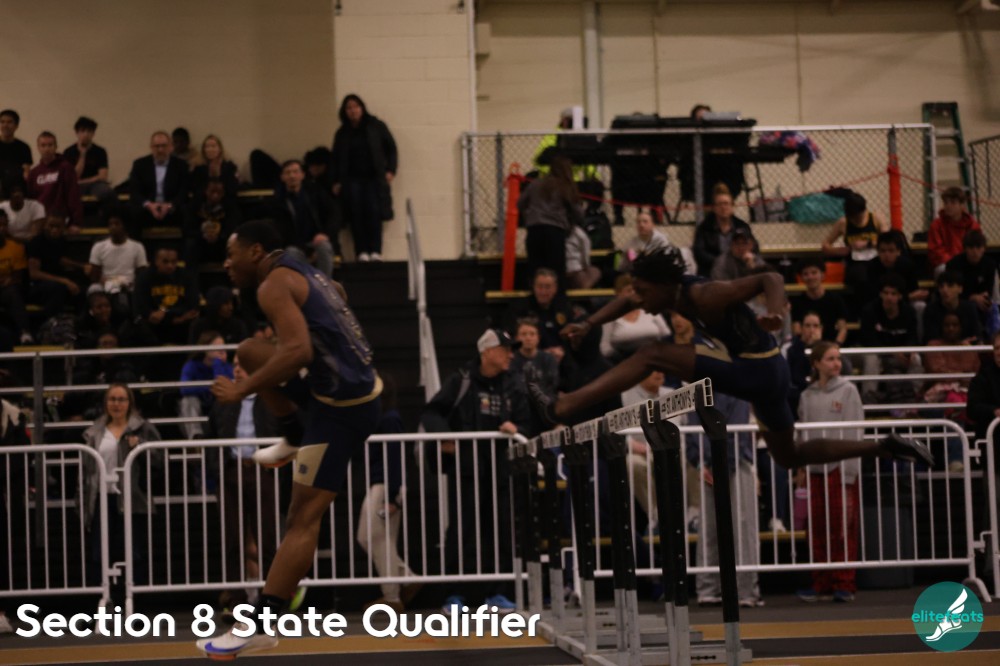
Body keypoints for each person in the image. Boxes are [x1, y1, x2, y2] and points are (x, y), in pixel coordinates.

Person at [525, 247, 933, 474]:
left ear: (665, 286)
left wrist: (775, 313)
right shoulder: (667, 291)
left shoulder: (707, 295)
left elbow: (771, 278)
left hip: (756, 368)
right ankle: (884, 446)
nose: (640, 300)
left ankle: (562, 406)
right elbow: (627, 297)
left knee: (651, 353)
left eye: (645, 292)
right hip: (766, 374)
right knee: (789, 455)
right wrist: (589, 323)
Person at [197, 220, 381, 658]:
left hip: (342, 410)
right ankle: (293, 433)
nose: (226, 263)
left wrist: (241, 389)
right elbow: (337, 291)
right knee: (249, 351)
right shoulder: (300, 267)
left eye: (231, 254)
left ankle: (261, 623)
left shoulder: (272, 285)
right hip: (334, 391)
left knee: (301, 517)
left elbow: (298, 351)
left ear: (255, 251)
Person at [420, 328, 532, 614]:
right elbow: (432, 412)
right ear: (487, 352)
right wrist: (445, 437)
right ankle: (453, 594)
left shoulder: (514, 384)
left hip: (502, 471)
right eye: (505, 349)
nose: (510, 355)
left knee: (503, 531)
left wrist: (517, 428)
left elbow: (528, 423)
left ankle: (498, 593)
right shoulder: (462, 380)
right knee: (461, 531)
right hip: (467, 471)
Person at [205, 353, 280, 613]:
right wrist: (217, 469)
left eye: (243, 366)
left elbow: (284, 431)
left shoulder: (270, 399)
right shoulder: (224, 401)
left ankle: (269, 600)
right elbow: (211, 437)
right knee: (232, 538)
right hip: (231, 470)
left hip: (262, 469)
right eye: (235, 365)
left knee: (267, 537)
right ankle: (237, 601)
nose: (237, 370)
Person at [82, 384, 162, 604]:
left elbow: (159, 458)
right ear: (105, 403)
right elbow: (87, 468)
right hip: (101, 496)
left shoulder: (142, 428)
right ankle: (103, 598)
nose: (116, 404)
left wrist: (141, 446)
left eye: (121, 399)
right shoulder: (95, 431)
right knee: (100, 550)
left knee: (133, 549)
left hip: (131, 497)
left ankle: (133, 598)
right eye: (112, 399)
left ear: (130, 403)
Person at [796, 341, 863, 603]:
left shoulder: (849, 391)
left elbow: (855, 433)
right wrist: (802, 467)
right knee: (816, 529)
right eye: (830, 358)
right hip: (815, 470)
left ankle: (844, 583)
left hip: (840, 469)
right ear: (816, 364)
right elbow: (803, 434)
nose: (836, 363)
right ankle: (821, 583)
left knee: (842, 528)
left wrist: (849, 472)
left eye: (838, 358)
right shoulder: (807, 395)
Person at [685, 391, 762, 608]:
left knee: (742, 526)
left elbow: (737, 432)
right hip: (709, 466)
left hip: (735, 463)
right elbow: (691, 434)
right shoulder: (695, 391)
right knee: (709, 527)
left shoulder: (734, 389)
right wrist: (701, 463)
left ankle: (745, 590)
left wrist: (718, 465)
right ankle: (709, 588)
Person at [356, 376, 421, 613]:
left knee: (374, 537)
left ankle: (392, 594)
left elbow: (395, 456)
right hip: (382, 483)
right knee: (375, 537)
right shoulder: (382, 418)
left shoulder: (389, 418)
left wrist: (392, 496)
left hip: (386, 485)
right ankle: (406, 578)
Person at [331, 94, 397, 262]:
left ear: (362, 108)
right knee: (356, 213)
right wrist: (336, 181)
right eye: (349, 108)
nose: (353, 111)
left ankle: (376, 250)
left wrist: (391, 170)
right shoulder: (342, 133)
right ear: (344, 111)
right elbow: (336, 158)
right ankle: (361, 251)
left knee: (374, 212)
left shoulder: (376, 126)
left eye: (356, 106)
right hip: (351, 180)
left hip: (374, 178)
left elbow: (391, 148)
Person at [517, 154, 582, 282]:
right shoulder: (565, 186)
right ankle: (557, 293)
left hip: (534, 230)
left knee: (535, 270)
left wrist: (529, 217)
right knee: (556, 271)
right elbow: (577, 211)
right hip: (555, 231)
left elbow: (520, 204)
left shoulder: (535, 184)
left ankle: (536, 292)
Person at [622, 371, 672, 534]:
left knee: (693, 457)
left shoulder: (673, 393)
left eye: (662, 369)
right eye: (654, 369)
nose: (659, 373)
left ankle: (694, 515)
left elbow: (687, 427)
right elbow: (614, 429)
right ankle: (656, 516)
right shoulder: (624, 396)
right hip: (643, 452)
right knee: (632, 463)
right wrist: (629, 443)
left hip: (673, 452)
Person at [502, 268, 586, 366]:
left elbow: (570, 336)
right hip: (528, 358)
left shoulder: (564, 308)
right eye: (540, 286)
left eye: (547, 287)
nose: (543, 291)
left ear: (555, 288)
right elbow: (510, 336)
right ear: (533, 287)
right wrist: (541, 353)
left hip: (561, 358)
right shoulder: (519, 308)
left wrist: (561, 350)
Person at [859, 273, 920, 402]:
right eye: (886, 293)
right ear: (880, 294)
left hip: (900, 355)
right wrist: (893, 352)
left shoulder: (909, 312)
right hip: (878, 354)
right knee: (871, 358)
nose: (889, 297)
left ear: (900, 296)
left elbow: (913, 338)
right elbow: (869, 341)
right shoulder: (869, 311)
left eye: (893, 294)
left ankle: (914, 398)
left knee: (916, 359)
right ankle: (868, 399)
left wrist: (907, 352)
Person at [269, 160, 334, 277]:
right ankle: (306, 285)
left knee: (324, 246)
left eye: (295, 172)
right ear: (282, 177)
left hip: (316, 241)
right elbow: (280, 231)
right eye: (288, 173)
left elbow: (333, 214)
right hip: (294, 245)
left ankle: (325, 283)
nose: (292, 176)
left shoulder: (315, 193)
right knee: (291, 253)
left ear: (302, 175)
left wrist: (325, 234)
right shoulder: (277, 201)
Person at [130, 247, 200, 346]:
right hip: (155, 325)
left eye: (173, 262)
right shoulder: (144, 277)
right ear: (156, 261)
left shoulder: (186, 276)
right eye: (165, 262)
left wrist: (165, 312)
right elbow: (142, 307)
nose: (170, 265)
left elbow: (193, 304)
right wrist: (173, 318)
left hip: (181, 324)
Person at [128, 131, 190, 237]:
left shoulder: (181, 165)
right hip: (148, 209)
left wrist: (169, 205)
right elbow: (134, 191)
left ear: (170, 147)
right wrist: (149, 205)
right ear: (151, 147)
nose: (160, 150)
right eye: (157, 146)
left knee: (187, 213)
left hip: (172, 209)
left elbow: (183, 191)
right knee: (132, 212)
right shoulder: (140, 165)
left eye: (164, 146)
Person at [27, 214, 88, 322]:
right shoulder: (36, 242)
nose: (54, 230)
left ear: (63, 228)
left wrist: (82, 266)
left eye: (58, 227)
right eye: (51, 226)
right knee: (57, 289)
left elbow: (60, 259)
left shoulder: (61, 241)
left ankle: (80, 323)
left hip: (56, 281)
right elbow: (34, 274)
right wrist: (64, 281)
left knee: (80, 288)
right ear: (45, 226)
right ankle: (49, 323)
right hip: (35, 285)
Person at [822, 192, 889, 288]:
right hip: (855, 263)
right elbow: (825, 245)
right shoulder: (843, 223)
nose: (855, 220)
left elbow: (887, 242)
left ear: (864, 210)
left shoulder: (876, 218)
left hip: (875, 260)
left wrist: (868, 243)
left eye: (858, 217)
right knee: (858, 276)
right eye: (852, 218)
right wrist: (840, 251)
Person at [88, 209, 148, 313]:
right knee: (93, 289)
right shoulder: (99, 246)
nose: (113, 227)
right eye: (110, 224)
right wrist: (100, 280)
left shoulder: (137, 247)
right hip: (106, 284)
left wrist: (132, 283)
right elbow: (94, 275)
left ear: (125, 226)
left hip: (129, 285)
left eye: (117, 224)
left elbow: (141, 272)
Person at [599, 274, 670, 363]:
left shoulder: (650, 309)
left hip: (656, 358)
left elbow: (666, 334)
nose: (633, 294)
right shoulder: (611, 315)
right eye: (629, 290)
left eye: (636, 291)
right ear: (618, 293)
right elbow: (605, 347)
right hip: (623, 361)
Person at [178, 331, 233, 440]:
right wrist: (209, 387)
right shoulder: (192, 365)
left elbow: (225, 387)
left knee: (227, 399)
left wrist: (217, 364)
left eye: (223, 347)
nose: (221, 351)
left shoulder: (226, 367)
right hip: (199, 407)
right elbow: (184, 389)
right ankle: (196, 438)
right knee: (188, 400)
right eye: (217, 347)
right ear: (206, 349)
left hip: (217, 407)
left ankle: (226, 436)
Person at [693, 183, 753, 277]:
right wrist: (721, 262)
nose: (723, 207)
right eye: (720, 204)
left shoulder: (742, 226)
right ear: (714, 208)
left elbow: (754, 246)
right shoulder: (704, 228)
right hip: (712, 271)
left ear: (732, 206)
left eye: (726, 203)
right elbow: (699, 252)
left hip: (738, 271)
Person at [28, 132, 83, 230]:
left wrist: (76, 222)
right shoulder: (34, 172)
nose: (47, 149)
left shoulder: (66, 168)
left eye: (50, 145)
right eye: (43, 145)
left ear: (56, 147)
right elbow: (31, 199)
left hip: (60, 219)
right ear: (38, 148)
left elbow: (73, 194)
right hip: (40, 220)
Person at [947, 229, 998, 327]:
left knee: (992, 308)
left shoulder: (990, 265)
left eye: (978, 247)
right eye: (971, 247)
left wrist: (982, 298)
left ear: (984, 249)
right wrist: (973, 298)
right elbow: (952, 292)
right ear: (965, 249)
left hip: (982, 301)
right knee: (971, 307)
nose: (975, 251)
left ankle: (995, 334)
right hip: (960, 302)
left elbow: (989, 290)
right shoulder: (954, 265)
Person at [185, 178, 241, 266]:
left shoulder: (230, 207)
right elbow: (188, 227)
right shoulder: (195, 205)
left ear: (223, 193)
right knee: (190, 244)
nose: (215, 195)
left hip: (221, 242)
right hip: (201, 241)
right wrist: (203, 235)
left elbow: (232, 228)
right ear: (206, 191)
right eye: (212, 192)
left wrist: (219, 236)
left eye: (219, 192)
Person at [861, 231, 925, 307]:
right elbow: (872, 296)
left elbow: (914, 291)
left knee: (920, 305)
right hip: (879, 305)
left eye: (891, 251)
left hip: (904, 305)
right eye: (883, 251)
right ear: (877, 251)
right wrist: (906, 297)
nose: (887, 255)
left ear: (898, 251)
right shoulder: (871, 266)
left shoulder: (907, 266)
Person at [790, 259, 847, 344]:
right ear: (801, 278)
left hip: (830, 345)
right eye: (806, 274)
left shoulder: (835, 299)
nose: (810, 277)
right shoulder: (797, 302)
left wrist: (836, 345)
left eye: (814, 273)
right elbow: (796, 331)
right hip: (806, 346)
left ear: (823, 275)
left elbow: (842, 329)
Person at [928, 187, 980, 275]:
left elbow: (977, 245)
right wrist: (954, 262)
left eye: (953, 202)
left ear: (962, 205)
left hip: (968, 262)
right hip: (946, 263)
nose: (948, 206)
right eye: (946, 202)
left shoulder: (972, 224)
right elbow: (936, 250)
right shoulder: (936, 225)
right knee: (942, 270)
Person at [63, 116, 113, 204]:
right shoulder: (69, 152)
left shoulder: (100, 151)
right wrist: (82, 155)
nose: (86, 134)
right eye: (82, 131)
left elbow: (103, 176)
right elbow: (74, 176)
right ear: (77, 133)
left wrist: (82, 182)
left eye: (89, 131)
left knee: (106, 192)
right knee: (65, 193)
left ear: (93, 134)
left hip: (95, 185)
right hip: (75, 186)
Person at [922, 270, 981, 344]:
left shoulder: (970, 308)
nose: (945, 290)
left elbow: (977, 336)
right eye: (941, 286)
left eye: (950, 286)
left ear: (960, 288)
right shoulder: (931, 310)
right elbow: (931, 341)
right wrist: (959, 344)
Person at [0, 213, 32, 344]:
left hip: (8, 289)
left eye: (4, 225)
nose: (1, 228)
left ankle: (25, 333)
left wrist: (9, 280)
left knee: (13, 292)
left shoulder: (16, 247)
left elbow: (17, 276)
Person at [190, 134, 240, 200]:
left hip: (225, 201)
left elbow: (232, 189)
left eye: (213, 146)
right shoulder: (199, 168)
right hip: (203, 201)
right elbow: (195, 189)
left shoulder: (229, 167)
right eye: (207, 147)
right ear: (203, 150)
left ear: (220, 149)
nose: (210, 149)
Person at [0, 109, 32, 193]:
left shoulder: (24, 148)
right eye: (2, 122)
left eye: (9, 122)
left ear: (16, 126)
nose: (5, 125)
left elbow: (26, 173)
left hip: (17, 191)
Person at [565, 218, 601, 289]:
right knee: (595, 271)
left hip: (558, 271)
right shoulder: (579, 234)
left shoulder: (554, 230)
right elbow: (585, 259)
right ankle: (583, 291)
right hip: (575, 272)